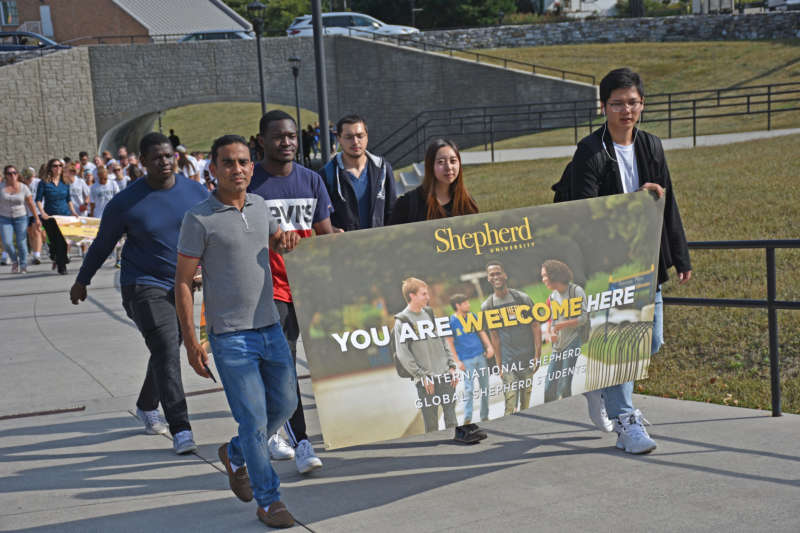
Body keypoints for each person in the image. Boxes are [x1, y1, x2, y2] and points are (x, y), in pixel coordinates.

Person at [176, 134, 300, 529]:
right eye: (228, 162)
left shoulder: (262, 206)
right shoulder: (199, 218)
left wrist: (283, 241)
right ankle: (269, 500)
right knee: (254, 420)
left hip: (270, 327)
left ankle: (234, 453)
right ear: (212, 168)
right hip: (230, 337)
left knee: (285, 406)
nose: (238, 169)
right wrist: (193, 341)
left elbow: (275, 242)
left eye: (244, 161)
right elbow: (182, 281)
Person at [568, 68, 692, 454]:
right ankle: (625, 422)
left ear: (642, 105)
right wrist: (635, 199)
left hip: (646, 262)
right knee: (625, 344)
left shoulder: (651, 146)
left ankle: (599, 382)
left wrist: (680, 254)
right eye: (618, 103)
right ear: (603, 107)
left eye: (633, 102)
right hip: (608, 267)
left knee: (651, 339)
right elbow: (583, 210)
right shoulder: (590, 151)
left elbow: (665, 203)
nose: (626, 110)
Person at [69, 132, 209, 455]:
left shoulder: (196, 193)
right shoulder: (126, 202)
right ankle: (181, 427)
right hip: (141, 284)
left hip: (182, 286)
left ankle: (147, 404)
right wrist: (82, 280)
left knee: (168, 346)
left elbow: (211, 233)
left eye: (169, 155)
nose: (164, 161)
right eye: (156, 157)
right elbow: (103, 243)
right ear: (142, 162)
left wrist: (203, 268)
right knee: (166, 344)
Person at [247, 110, 335, 474]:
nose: (286, 142)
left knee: (324, 360)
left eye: (292, 136)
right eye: (279, 136)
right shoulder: (250, 183)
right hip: (271, 289)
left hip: (308, 286)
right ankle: (301, 442)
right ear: (262, 140)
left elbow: (325, 231)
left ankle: (273, 427)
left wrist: (342, 242)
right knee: (285, 368)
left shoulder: (311, 180)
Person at [389, 139, 489, 444]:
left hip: (453, 298)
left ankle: (464, 422)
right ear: (430, 167)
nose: (449, 167)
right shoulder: (409, 204)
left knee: (454, 361)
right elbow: (392, 245)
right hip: (425, 298)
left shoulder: (467, 206)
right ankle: (444, 420)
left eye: (454, 161)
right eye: (442, 162)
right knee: (434, 362)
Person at [393, 278, 466, 437]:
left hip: (445, 376)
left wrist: (452, 367)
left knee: (452, 420)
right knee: (432, 426)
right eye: (424, 294)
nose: (428, 297)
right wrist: (422, 376)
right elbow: (403, 355)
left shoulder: (429, 313)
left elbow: (443, 341)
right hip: (426, 382)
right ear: (412, 296)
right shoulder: (402, 321)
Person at [481, 261, 541, 416]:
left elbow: (535, 326)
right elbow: (494, 337)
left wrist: (537, 356)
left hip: (526, 357)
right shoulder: (488, 306)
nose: (495, 277)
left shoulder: (522, 298)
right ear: (488, 279)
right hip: (508, 362)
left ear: (505, 275)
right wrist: (499, 365)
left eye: (498, 273)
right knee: (510, 400)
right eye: (491, 274)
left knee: (526, 400)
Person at [320, 114, 397, 231]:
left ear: (367, 137)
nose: (355, 141)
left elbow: (392, 211)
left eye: (360, 136)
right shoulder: (326, 174)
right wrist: (331, 229)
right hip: (344, 246)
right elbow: (319, 219)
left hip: (379, 245)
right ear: (339, 139)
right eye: (348, 137)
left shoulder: (383, 168)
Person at [541, 259, 588, 402]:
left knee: (564, 386)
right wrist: (550, 333)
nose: (543, 280)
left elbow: (583, 318)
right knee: (549, 387)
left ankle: (566, 414)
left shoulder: (576, 291)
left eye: (545, 276)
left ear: (554, 275)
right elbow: (551, 320)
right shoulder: (552, 297)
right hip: (558, 346)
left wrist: (561, 326)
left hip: (572, 341)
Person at [446, 294, 495, 426]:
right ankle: (467, 418)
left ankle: (484, 416)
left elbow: (481, 332)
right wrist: (457, 361)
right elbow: (450, 343)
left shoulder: (472, 316)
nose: (468, 305)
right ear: (458, 306)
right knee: (469, 389)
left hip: (480, 356)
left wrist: (489, 347)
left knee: (485, 387)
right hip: (466, 361)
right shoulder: (451, 322)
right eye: (466, 303)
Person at [36, 159, 77, 274]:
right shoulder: (43, 183)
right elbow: (38, 200)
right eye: (55, 166)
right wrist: (42, 213)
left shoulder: (65, 182)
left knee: (63, 241)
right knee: (53, 242)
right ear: (50, 168)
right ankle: (54, 254)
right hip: (50, 217)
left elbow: (68, 199)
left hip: (64, 216)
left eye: (60, 166)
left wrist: (73, 211)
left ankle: (62, 265)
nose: (58, 168)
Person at [1, 165, 39, 273]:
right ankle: (14, 260)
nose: (12, 175)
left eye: (14, 173)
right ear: (6, 176)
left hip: (21, 217)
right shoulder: (1, 187)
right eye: (9, 173)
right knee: (7, 242)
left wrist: (37, 218)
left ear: (17, 175)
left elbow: (31, 203)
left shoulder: (23, 187)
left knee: (21, 242)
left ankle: (23, 264)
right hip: (5, 218)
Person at [19, 167, 43, 265]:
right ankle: (34, 253)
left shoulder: (38, 183)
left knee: (37, 231)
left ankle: (37, 255)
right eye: (26, 178)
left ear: (33, 175)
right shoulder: (21, 185)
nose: (28, 180)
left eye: (30, 177)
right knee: (30, 233)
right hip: (25, 212)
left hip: (37, 211)